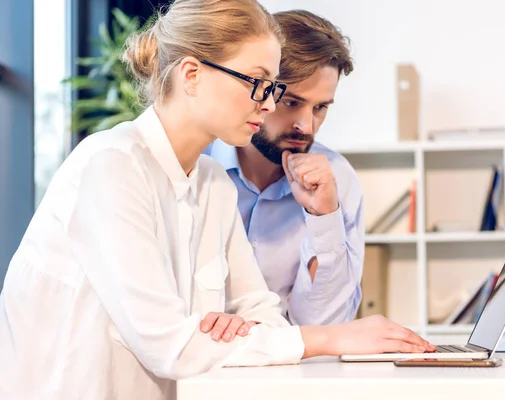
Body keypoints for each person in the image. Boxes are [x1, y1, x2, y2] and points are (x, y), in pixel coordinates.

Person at [0, 1, 435, 399]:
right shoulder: (109, 165)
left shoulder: (211, 182)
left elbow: (264, 316)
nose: (267, 103)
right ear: (192, 75)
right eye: (258, 83)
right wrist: (332, 338)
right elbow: (169, 344)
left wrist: (233, 328)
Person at [206, 10, 363, 325]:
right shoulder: (198, 167)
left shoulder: (337, 178)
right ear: (258, 88)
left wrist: (325, 218)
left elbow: (323, 327)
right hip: (204, 368)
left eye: (320, 108)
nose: (306, 126)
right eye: (292, 103)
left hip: (292, 371)